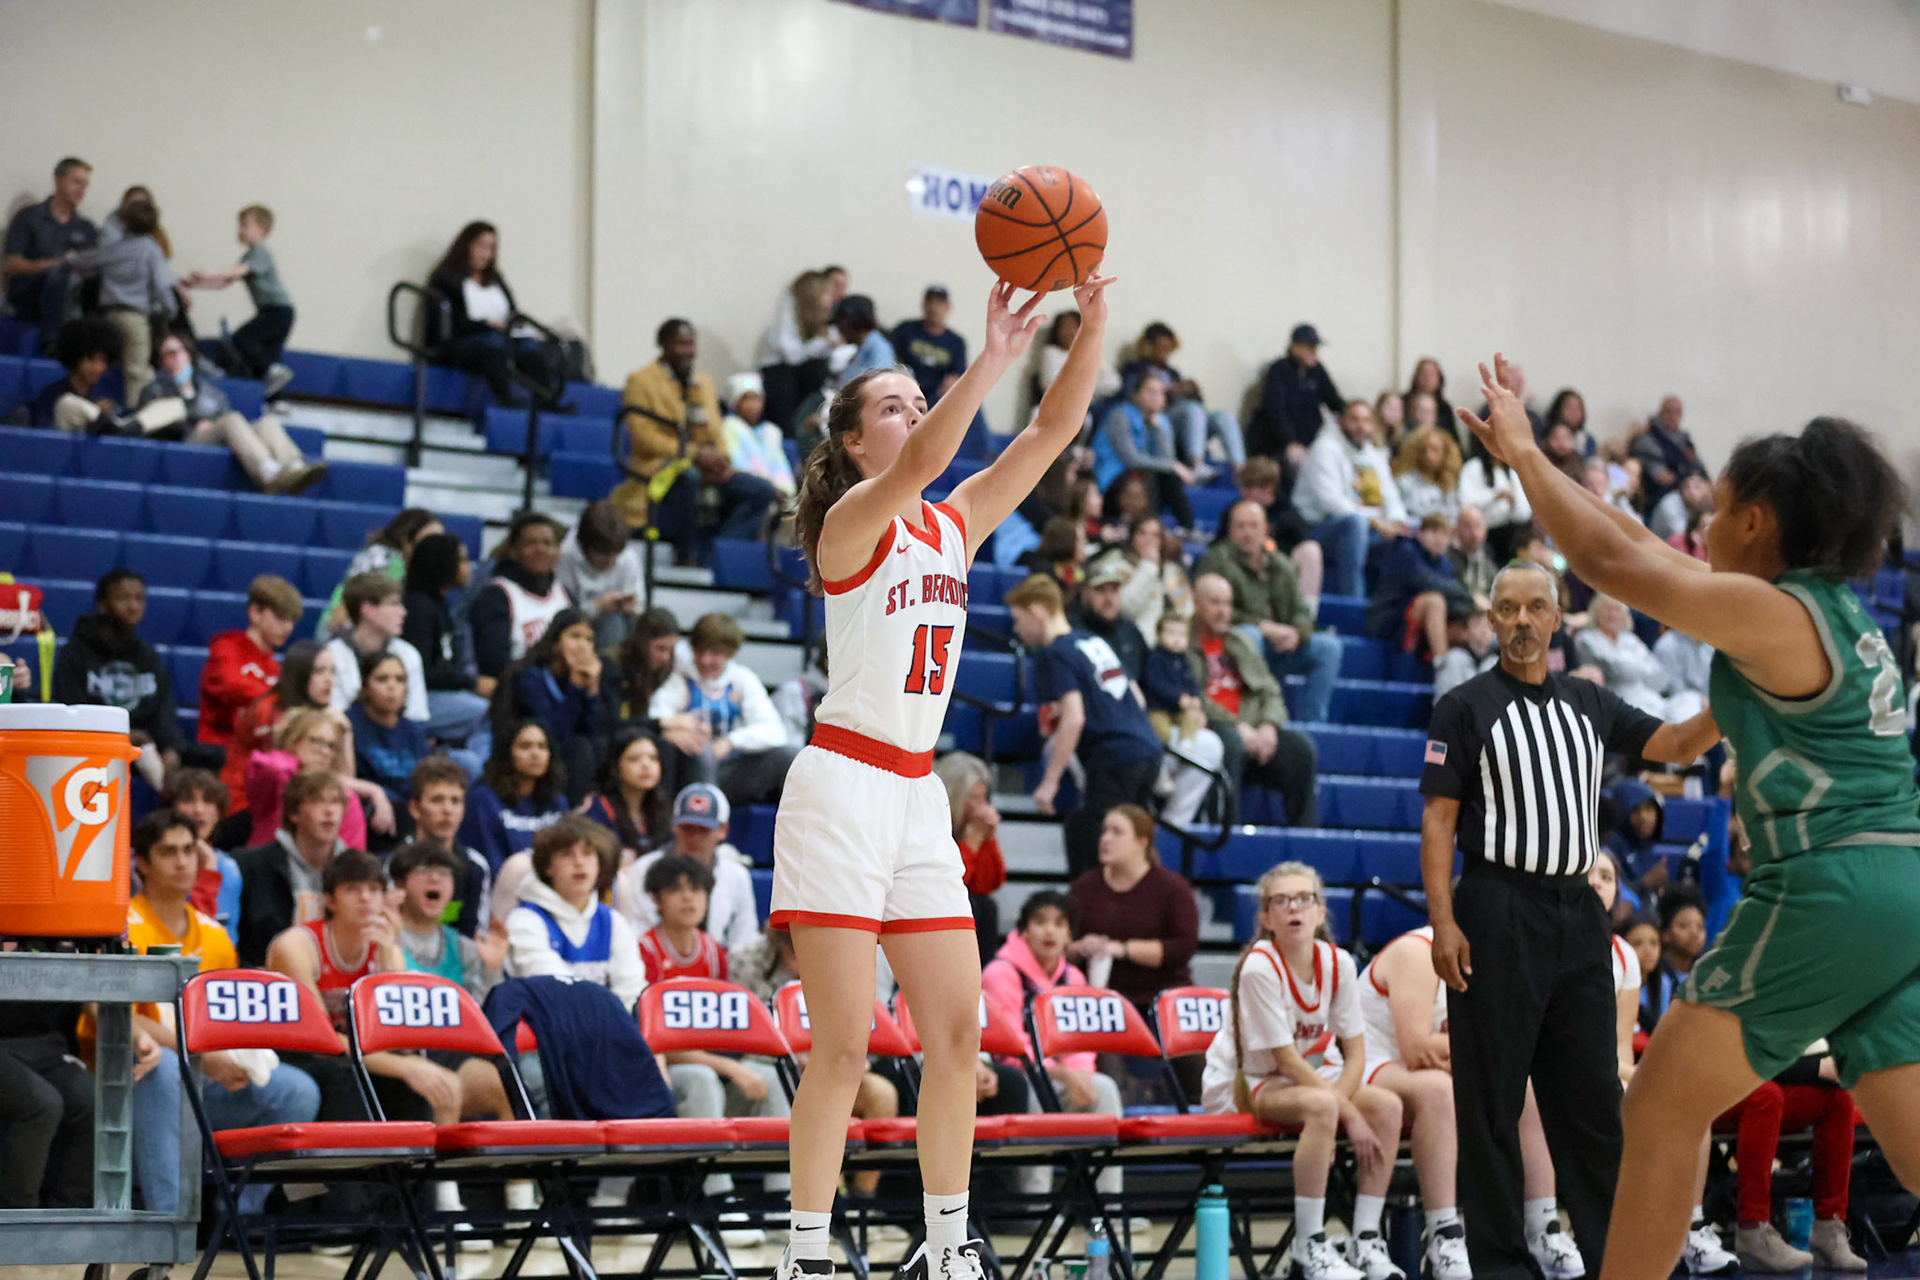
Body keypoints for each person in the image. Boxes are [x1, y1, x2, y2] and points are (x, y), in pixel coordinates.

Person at [1451, 356, 1920, 1280]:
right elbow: (1638, 539)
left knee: (1660, 1111)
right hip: (1902, 888)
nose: (1699, 530)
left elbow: (1609, 562)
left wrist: (1523, 460)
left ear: (1757, 521)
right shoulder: (1837, 612)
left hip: (1830, 884)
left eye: (1716, 512)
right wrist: (1548, 460)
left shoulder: (1771, 609)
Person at [772, 269, 1112, 1280]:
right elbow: (927, 454)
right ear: (849, 442)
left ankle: (950, 1241)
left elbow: (1051, 433)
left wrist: (1088, 326)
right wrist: (991, 356)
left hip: (916, 795)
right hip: (839, 785)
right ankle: (801, 1256)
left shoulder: (952, 522)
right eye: (891, 404)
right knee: (843, 1047)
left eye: (918, 400)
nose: (914, 416)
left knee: (958, 1031)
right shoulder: (851, 526)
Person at [1418, 552, 1720, 1280]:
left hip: (1579, 914)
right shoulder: (1462, 707)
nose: (1522, 620)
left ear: (1558, 618)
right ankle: (1496, 1265)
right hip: (1496, 907)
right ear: (1492, 620)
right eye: (1509, 609)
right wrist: (1444, 922)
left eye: (1536, 608)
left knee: (1591, 1099)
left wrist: (1737, 702)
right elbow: (1437, 821)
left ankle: (1624, 1260)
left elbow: (1677, 745)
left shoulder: (1589, 701)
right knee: (1490, 1101)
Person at [1201, 862, 1403, 1280]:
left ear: (1320, 912)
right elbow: (1285, 1060)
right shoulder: (1259, 967)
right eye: (1281, 900)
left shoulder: (1340, 963)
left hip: (1304, 1082)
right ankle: (1309, 1245)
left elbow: (1357, 1054)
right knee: (1322, 1108)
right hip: (1244, 1082)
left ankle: (1365, 1238)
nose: (1294, 907)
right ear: (1265, 918)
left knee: (1385, 1106)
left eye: (1304, 899)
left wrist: (1342, 1109)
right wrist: (1343, 1113)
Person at [122, 811, 322, 1215]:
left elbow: (226, 1017)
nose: (182, 862)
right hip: (131, 1073)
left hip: (202, 1073)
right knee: (163, 1070)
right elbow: (114, 1015)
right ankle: (169, 1223)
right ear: (140, 863)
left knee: (296, 1090)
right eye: (167, 852)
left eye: (189, 851)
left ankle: (239, 1217)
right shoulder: (123, 926)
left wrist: (232, 1055)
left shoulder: (212, 934)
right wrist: (201, 1055)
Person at [1009, 573, 1174, 878]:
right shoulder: (1093, 640)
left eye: (1018, 620)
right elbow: (1135, 696)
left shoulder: (1055, 651)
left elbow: (1074, 717)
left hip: (1113, 757)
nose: (1017, 629)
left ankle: (1088, 917)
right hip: (1147, 749)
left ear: (1037, 612)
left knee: (1092, 846)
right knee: (1134, 844)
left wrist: (1050, 781)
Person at [981, 891, 1126, 1198]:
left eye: (1060, 924)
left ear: (1069, 935)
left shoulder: (1073, 976)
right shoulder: (1000, 973)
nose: (1050, 931)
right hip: (1015, 1077)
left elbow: (1082, 1041)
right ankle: (1034, 1203)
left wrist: (1080, 1074)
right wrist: (1061, 1074)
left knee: (1103, 1089)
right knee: (1031, 1091)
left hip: (1059, 1078)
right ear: (1023, 931)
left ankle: (1107, 1205)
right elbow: (1010, 1045)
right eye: (1040, 922)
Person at [619, 319, 778, 560]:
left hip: (707, 464)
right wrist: (694, 455)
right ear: (662, 345)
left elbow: (717, 429)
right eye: (680, 344)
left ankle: (719, 554)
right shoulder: (640, 381)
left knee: (762, 491)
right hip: (660, 468)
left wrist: (722, 460)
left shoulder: (704, 382)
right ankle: (687, 555)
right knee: (688, 478)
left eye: (690, 344)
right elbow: (644, 438)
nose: (687, 351)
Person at [1194, 499, 1344, 723]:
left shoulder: (1281, 563)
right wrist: (1263, 627)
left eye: (1253, 526)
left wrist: (1297, 633)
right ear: (1230, 530)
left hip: (1282, 645)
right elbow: (1214, 611)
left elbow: (1300, 611)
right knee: (1249, 635)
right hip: (1238, 645)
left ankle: (1313, 723)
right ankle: (1251, 717)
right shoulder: (1216, 560)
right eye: (1241, 526)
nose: (1247, 532)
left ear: (1266, 529)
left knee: (1329, 648)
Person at [1188, 574, 1320, 827]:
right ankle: (1229, 838)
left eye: (1227, 604)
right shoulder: (1182, 644)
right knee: (1231, 745)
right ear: (1195, 602)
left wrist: (1269, 725)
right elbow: (1191, 696)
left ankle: (1306, 840)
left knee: (1301, 750)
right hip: (1216, 727)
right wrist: (1238, 727)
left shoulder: (1240, 642)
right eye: (1215, 603)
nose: (1223, 611)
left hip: (1255, 731)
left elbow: (1270, 690)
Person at [1723, 1051, 1866, 1272]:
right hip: (1708, 1090)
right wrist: (1816, 1068)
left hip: (1761, 1079)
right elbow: (1743, 1064)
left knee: (1837, 1100)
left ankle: (1829, 1230)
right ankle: (1753, 1229)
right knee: (1766, 1096)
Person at [141, 332, 327, 493]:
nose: (172, 359)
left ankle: (295, 468)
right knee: (230, 420)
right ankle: (269, 474)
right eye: (165, 355)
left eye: (176, 352)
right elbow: (153, 424)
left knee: (267, 422)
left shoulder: (212, 393)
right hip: (187, 440)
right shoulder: (155, 390)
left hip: (219, 438)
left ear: (188, 354)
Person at [648, 611, 795, 809]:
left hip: (728, 769)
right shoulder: (681, 677)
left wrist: (730, 742)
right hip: (688, 768)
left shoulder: (741, 679)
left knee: (788, 756)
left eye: (715, 653)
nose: (705, 660)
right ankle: (703, 818)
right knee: (702, 751)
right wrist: (670, 730)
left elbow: (775, 731)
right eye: (700, 652)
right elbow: (655, 716)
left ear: (730, 653)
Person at [1068, 806, 1200, 1022]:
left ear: (1142, 841)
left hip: (1162, 1000)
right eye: (1104, 831)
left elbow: (1182, 947)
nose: (1105, 839)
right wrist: (1081, 948)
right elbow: (1061, 946)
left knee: (1196, 1054)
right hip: (1100, 1005)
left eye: (1117, 832)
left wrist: (1121, 949)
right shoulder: (1083, 888)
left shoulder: (1173, 889)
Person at [53, 568, 180, 789]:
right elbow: (71, 713)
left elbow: (164, 714)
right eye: (123, 598)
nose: (133, 606)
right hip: (92, 749)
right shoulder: (76, 653)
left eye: (139, 599)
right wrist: (119, 735)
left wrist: (171, 749)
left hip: (144, 753)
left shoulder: (148, 657)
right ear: (103, 604)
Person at [503, 816, 644, 1007]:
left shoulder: (613, 921)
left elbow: (632, 991)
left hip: (606, 1029)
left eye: (587, 854)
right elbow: (556, 990)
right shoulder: (525, 920)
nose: (579, 862)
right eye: (566, 854)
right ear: (547, 867)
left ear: (599, 864)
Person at [613, 783, 761, 955]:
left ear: (723, 830)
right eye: (688, 829)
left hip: (718, 971)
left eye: (703, 830)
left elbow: (744, 939)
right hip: (654, 967)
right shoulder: (643, 870)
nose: (695, 838)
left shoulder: (737, 875)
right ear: (674, 826)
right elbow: (633, 933)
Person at [426, 221, 559, 405]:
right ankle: (506, 399)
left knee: (528, 346)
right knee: (493, 342)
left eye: (491, 248)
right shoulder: (445, 279)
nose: (486, 254)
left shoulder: (495, 279)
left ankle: (549, 402)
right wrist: (484, 325)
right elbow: (448, 323)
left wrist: (512, 325)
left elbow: (512, 310)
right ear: (467, 245)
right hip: (463, 340)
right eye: (482, 246)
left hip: (500, 336)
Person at [234, 769, 356, 966]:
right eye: (317, 801)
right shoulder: (252, 865)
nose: (329, 810)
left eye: (336, 802)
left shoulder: (355, 869)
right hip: (267, 979)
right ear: (294, 813)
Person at [1293, 400, 1409, 599]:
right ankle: (1353, 601)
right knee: (1355, 525)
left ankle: (1388, 609)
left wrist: (1398, 522)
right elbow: (1331, 502)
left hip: (1370, 525)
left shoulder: (1374, 455)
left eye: (1365, 420)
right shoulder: (1324, 449)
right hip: (1319, 527)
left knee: (1408, 536)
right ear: (1342, 422)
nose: (1360, 426)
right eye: (1354, 420)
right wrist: (1375, 522)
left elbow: (1391, 495)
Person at [66, 196, 177, 404]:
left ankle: (89, 403)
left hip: (108, 317)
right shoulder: (152, 250)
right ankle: (135, 414)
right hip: (135, 318)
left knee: (99, 364)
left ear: (124, 221)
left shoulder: (116, 248)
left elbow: (87, 260)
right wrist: (171, 310)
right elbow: (162, 286)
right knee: (136, 371)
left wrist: (68, 258)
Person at [182, 204, 296, 392]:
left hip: (278, 311)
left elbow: (236, 272)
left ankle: (271, 372)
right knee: (269, 356)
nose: (240, 230)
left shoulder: (261, 253)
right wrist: (195, 284)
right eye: (240, 225)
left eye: (245, 225)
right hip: (276, 312)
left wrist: (206, 275)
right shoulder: (249, 255)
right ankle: (275, 399)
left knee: (242, 339)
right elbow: (224, 283)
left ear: (262, 230)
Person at [400, 531, 490, 756]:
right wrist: (470, 682)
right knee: (486, 712)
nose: (469, 567)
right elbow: (423, 672)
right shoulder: (419, 609)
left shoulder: (438, 605)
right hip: (419, 698)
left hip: (440, 694)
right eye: (461, 560)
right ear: (442, 564)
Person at [0, 999, 97, 1209]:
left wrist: (137, 1037)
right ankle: (18, 1222)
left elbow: (95, 989)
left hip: (43, 1044)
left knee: (91, 1099)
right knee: (41, 1104)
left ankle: (72, 1222)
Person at [245, 704, 384, 849]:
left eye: (331, 746)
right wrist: (365, 787)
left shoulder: (345, 796)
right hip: (267, 865)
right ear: (293, 741)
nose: (325, 752)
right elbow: (267, 766)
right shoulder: (273, 777)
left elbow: (353, 855)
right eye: (318, 741)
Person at [505, 606, 609, 800]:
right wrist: (575, 687)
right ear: (554, 643)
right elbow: (555, 733)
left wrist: (593, 691)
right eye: (575, 636)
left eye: (589, 639)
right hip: (530, 751)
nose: (583, 646)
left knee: (597, 746)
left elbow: (595, 734)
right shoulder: (530, 677)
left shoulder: (584, 677)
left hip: (571, 759)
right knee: (579, 748)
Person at [1118, 321, 1245, 479]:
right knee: (1192, 409)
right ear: (1149, 346)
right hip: (1161, 417)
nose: (1164, 353)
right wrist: (1168, 388)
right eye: (1160, 348)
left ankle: (1240, 468)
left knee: (1223, 417)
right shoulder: (1134, 368)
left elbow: (1198, 405)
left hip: (1184, 419)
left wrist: (1191, 390)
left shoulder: (1173, 372)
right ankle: (1196, 463)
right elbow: (1131, 393)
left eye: (1168, 349)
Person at [199, 575, 301, 758]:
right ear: (255, 613)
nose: (288, 627)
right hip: (219, 753)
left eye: (292, 620)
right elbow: (233, 686)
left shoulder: (276, 669)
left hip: (257, 757)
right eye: (280, 617)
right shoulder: (226, 649)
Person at [470, 513, 573, 693]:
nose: (540, 549)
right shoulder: (497, 595)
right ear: (513, 551)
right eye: (530, 543)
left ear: (558, 551)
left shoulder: (565, 595)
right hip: (515, 690)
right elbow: (494, 662)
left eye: (548, 544)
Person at [459, 720, 570, 875]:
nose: (535, 754)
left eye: (542, 746)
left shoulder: (557, 802)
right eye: (525, 746)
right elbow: (489, 860)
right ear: (507, 753)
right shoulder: (484, 800)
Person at [1093, 371, 1195, 529]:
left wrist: (1159, 431)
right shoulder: (1120, 415)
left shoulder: (1161, 420)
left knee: (1167, 476)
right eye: (1150, 391)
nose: (1156, 397)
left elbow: (1167, 458)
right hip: (1112, 477)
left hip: (1141, 474)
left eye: (1161, 392)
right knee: (1153, 474)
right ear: (1136, 395)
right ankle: (1149, 526)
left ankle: (1186, 527)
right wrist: (1173, 466)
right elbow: (1130, 459)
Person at [1575, 595, 1704, 721]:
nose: (1612, 614)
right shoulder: (1586, 639)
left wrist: (1634, 668)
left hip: (1652, 698)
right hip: (1619, 702)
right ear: (1596, 612)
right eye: (1608, 609)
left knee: (1691, 702)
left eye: (1617, 609)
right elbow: (1619, 671)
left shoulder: (1629, 639)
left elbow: (1661, 677)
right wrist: (1642, 668)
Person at [930, 752, 1007, 959]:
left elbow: (989, 884)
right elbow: (948, 885)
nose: (980, 806)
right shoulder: (932, 827)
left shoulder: (974, 826)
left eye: (983, 798)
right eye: (974, 798)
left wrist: (987, 839)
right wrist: (972, 842)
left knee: (986, 906)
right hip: (929, 905)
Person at [3, 157, 96, 329]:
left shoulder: (86, 228)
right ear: (58, 179)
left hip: (71, 297)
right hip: (30, 296)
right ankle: (52, 342)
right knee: (57, 275)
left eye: (85, 185)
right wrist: (51, 265)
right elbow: (10, 265)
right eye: (76, 182)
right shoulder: (29, 217)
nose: (82, 190)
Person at [325, 573, 429, 721]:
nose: (403, 612)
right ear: (367, 609)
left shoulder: (408, 654)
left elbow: (416, 715)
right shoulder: (331, 655)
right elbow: (334, 716)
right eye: (394, 604)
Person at [322, 508, 445, 635]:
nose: (438, 545)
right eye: (430, 539)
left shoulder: (414, 568)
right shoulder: (382, 558)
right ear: (406, 539)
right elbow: (343, 613)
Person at [1369, 514, 1468, 662]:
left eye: (1444, 535)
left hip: (1417, 621)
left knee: (1467, 620)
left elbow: (1454, 595)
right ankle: (1442, 664)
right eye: (1434, 532)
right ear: (1420, 533)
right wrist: (1470, 596)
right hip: (1389, 618)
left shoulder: (1446, 565)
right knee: (1435, 601)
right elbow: (1424, 581)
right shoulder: (1405, 550)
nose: (1439, 539)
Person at [347, 652, 431, 824]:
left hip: (411, 816)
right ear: (365, 685)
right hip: (370, 816)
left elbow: (425, 783)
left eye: (400, 679)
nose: (392, 686)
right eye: (382, 679)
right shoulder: (348, 725)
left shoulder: (415, 732)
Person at [1249, 323, 1345, 468]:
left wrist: (1354, 413)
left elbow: (1334, 401)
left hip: (1313, 443)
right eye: (1309, 347)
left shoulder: (1317, 371)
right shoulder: (1279, 370)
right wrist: (1290, 442)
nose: (1314, 352)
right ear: (1295, 347)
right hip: (1280, 445)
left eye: (1315, 347)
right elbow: (1276, 412)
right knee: (1296, 464)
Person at [162, 769, 245, 928]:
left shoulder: (229, 868)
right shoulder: (155, 863)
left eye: (208, 801)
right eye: (188, 800)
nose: (199, 810)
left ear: (218, 814)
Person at [757, 268, 837, 429]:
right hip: (779, 371)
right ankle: (789, 433)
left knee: (819, 371)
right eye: (827, 292)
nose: (833, 296)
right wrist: (824, 344)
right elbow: (791, 355)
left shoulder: (828, 316)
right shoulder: (788, 313)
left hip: (802, 372)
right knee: (785, 382)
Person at [581, 725, 673, 858]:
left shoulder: (661, 805)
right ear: (616, 766)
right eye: (634, 759)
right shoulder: (597, 807)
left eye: (653, 758)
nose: (646, 765)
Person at [719, 371, 798, 500]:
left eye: (756, 398)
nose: (752, 405)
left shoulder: (770, 431)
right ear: (735, 403)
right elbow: (738, 463)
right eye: (746, 399)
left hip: (775, 492)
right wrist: (768, 488)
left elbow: (780, 465)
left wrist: (783, 488)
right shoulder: (729, 426)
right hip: (748, 490)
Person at [892, 284, 968, 404]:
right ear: (923, 304)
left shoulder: (956, 342)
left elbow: (954, 378)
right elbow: (890, 362)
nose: (934, 307)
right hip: (902, 392)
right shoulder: (905, 330)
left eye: (939, 302)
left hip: (935, 401)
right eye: (930, 301)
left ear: (948, 307)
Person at [1629, 396, 1702, 511]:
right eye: (1668, 412)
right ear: (1661, 413)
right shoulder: (1647, 440)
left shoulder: (1684, 440)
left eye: (1677, 412)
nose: (1673, 417)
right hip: (1659, 500)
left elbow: (1696, 464)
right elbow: (1662, 476)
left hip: (1687, 497)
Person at [1393, 425, 1464, 522]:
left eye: (1435, 450)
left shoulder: (1450, 485)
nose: (1429, 455)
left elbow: (1454, 516)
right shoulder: (1404, 482)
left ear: (1445, 454)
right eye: (1424, 450)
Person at [828, 294, 895, 389]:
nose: (839, 330)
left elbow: (879, 389)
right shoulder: (861, 348)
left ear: (851, 323)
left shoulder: (879, 350)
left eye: (840, 324)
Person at [1448, 506, 1498, 609]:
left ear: (1485, 529)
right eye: (1467, 526)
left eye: (1478, 526)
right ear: (1456, 530)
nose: (1474, 532)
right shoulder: (1447, 558)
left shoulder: (1488, 563)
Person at [1648, 471, 1712, 545]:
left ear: (1709, 487)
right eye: (1687, 487)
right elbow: (1684, 537)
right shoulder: (1670, 503)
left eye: (1697, 487)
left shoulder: (1707, 503)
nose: (1691, 492)